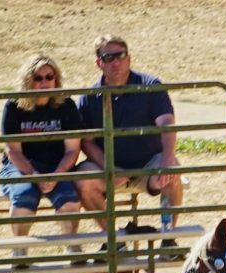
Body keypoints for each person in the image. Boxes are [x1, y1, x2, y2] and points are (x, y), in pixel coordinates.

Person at [75, 33, 183, 235]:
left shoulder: (149, 85)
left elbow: (166, 122)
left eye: (121, 55)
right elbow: (86, 142)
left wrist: (167, 159)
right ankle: (114, 238)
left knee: (171, 170)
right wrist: (111, 168)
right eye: (109, 57)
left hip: (148, 165)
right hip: (108, 168)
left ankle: (169, 236)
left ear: (129, 58)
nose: (116, 62)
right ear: (99, 63)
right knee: (83, 178)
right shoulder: (89, 97)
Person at [0, 53, 89, 239]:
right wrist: (33, 174)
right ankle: (19, 251)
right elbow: (13, 150)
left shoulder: (66, 106)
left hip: (57, 167)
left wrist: (56, 175)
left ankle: (72, 247)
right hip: (21, 166)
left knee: (70, 201)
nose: (44, 82)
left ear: (56, 79)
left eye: (49, 77)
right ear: (28, 81)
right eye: (38, 78)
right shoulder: (14, 106)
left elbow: (72, 150)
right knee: (24, 197)